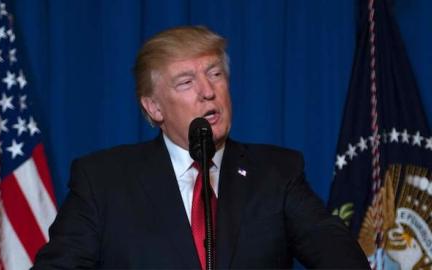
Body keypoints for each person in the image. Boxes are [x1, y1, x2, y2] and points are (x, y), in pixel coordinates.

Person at [33, 26, 369, 269]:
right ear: (153, 107)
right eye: (186, 82)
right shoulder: (103, 181)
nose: (208, 92)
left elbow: (340, 256)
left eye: (216, 74)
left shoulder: (277, 173)